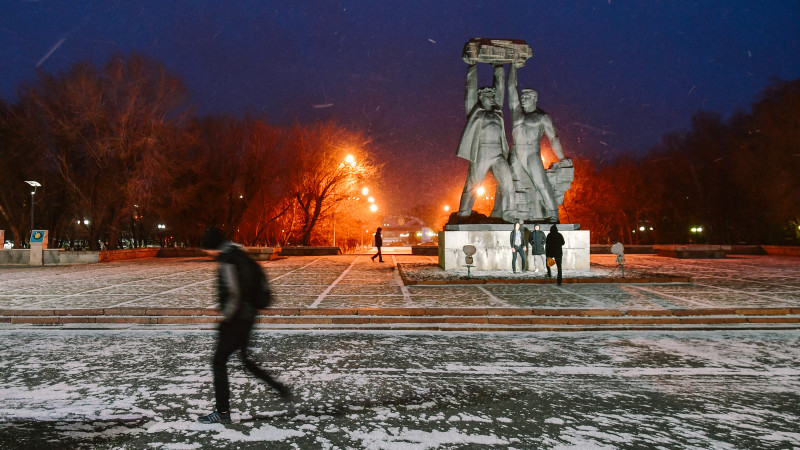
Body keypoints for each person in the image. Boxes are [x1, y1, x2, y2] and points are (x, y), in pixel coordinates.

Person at [198, 227, 291, 424]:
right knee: (246, 361)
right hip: (248, 317)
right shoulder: (238, 254)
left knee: (218, 362)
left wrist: (226, 318)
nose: (207, 254)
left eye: (207, 249)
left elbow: (234, 293)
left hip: (238, 319)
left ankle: (222, 412)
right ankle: (279, 388)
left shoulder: (228, 260)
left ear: (213, 247)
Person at [455, 62, 516, 222]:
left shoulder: (498, 113)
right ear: (481, 98)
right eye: (489, 97)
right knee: (473, 184)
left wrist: (499, 69)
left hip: (498, 153)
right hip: (482, 152)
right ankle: (463, 214)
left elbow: (500, 90)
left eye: (493, 97)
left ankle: (509, 213)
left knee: (508, 183)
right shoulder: (475, 112)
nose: (493, 99)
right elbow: (470, 91)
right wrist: (472, 66)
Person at [507, 61, 568, 222]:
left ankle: (553, 213)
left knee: (541, 182)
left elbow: (554, 138)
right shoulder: (517, 112)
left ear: (535, 98)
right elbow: (511, 90)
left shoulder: (542, 117)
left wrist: (562, 158)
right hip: (516, 154)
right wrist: (513, 66)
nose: (523, 99)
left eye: (527, 97)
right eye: (523, 97)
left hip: (531, 153)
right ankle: (515, 214)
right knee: (511, 184)